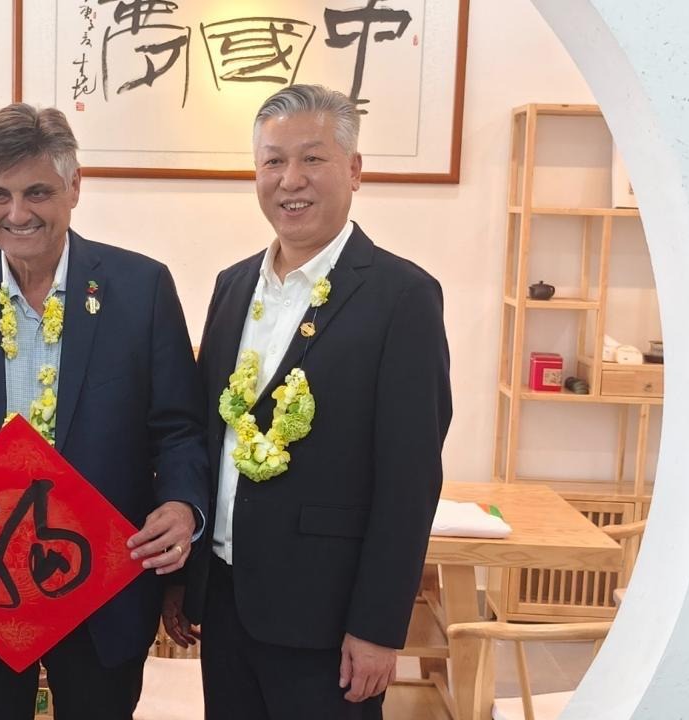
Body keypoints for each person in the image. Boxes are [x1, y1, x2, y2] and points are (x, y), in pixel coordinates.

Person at [0, 103, 208, 720]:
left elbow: (179, 430)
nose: (17, 213)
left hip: (103, 591)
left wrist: (184, 505)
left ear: (75, 187)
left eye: (37, 192)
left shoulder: (141, 289)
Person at [164, 84, 453, 720]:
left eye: (312, 158)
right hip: (227, 604)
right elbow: (211, 438)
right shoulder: (233, 286)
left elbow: (410, 480)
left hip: (329, 618)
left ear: (354, 169)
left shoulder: (402, 297)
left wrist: (377, 627)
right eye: (273, 161)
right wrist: (186, 579)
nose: (290, 179)